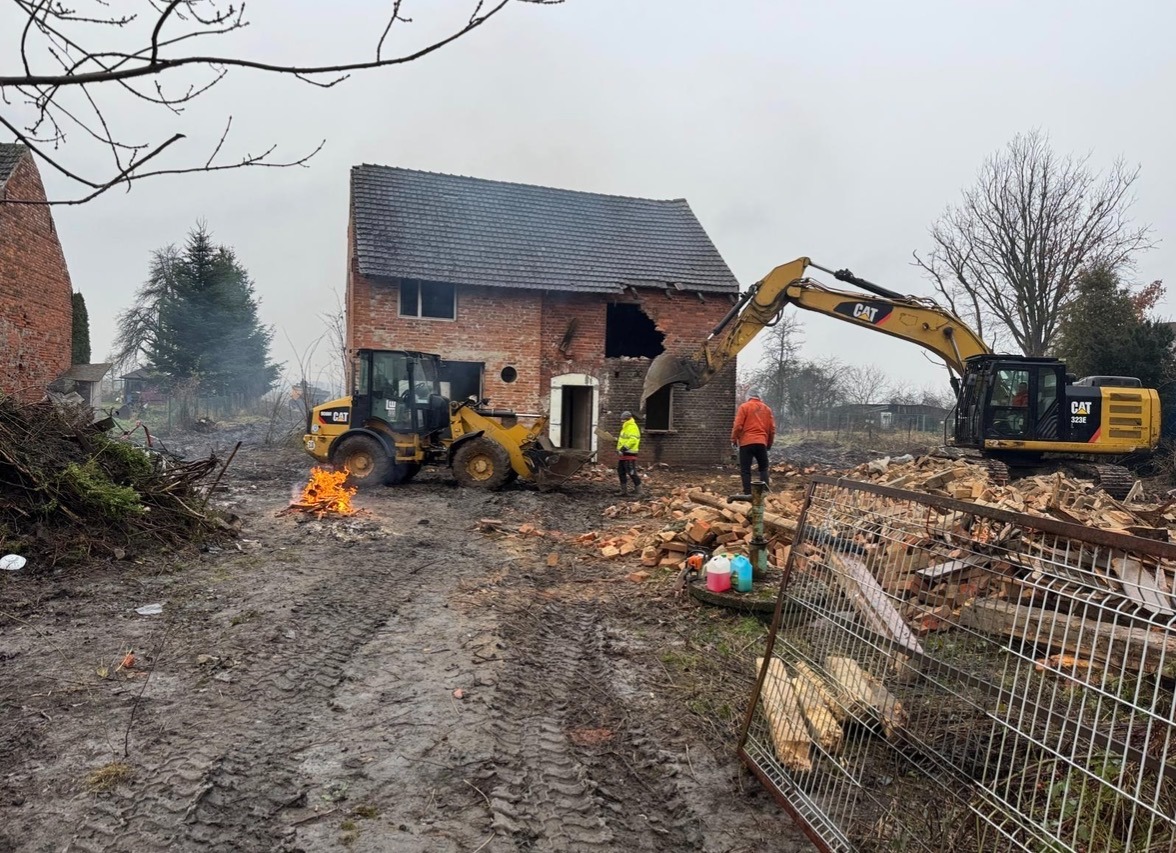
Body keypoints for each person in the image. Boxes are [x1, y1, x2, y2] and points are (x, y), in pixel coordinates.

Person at [732, 390, 776, 494]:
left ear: (748, 397)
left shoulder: (744, 407)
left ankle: (747, 493)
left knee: (745, 470)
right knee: (763, 468)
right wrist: (769, 444)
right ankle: (765, 493)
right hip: (761, 442)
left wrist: (734, 439)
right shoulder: (767, 409)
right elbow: (772, 429)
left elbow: (738, 425)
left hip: (746, 443)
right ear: (759, 397)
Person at [616, 410, 642, 496]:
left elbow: (633, 440)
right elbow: (625, 439)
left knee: (631, 472)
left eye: (623, 419)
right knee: (621, 471)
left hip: (629, 454)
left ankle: (639, 491)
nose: (621, 421)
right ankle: (624, 491)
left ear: (627, 419)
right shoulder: (626, 427)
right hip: (623, 454)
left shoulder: (632, 427)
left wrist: (623, 448)